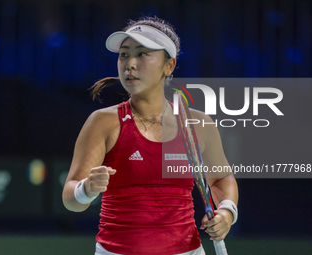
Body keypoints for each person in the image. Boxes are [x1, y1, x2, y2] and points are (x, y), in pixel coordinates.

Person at [62, 16, 238, 255]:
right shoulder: (102, 122)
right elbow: (70, 198)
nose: (129, 64)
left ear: (169, 65)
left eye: (142, 54)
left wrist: (227, 212)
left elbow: (221, 179)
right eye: (124, 54)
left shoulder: (199, 124)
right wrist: (86, 188)